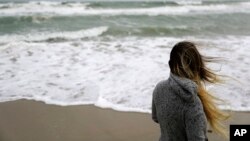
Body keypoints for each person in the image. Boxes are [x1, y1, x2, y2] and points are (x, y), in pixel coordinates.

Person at [151, 41, 229, 141]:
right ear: (197, 66)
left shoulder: (159, 88)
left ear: (170, 64)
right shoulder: (193, 103)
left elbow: (156, 117)